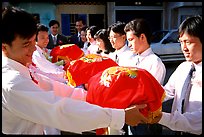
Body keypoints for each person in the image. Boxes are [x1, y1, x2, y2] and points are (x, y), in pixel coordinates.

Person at [2, 6, 148, 135]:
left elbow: (60, 90)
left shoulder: (21, 70)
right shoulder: (12, 82)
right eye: (26, 44)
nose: (33, 49)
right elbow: (61, 111)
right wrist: (120, 117)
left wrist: (101, 96)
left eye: (34, 41)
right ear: (4, 47)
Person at [151, 15, 202, 135]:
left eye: (188, 42)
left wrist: (161, 117)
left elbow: (198, 119)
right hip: (178, 130)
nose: (183, 48)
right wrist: (146, 101)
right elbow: (166, 92)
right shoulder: (183, 68)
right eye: (181, 42)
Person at [124, 18, 166, 135]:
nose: (129, 44)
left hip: (147, 120)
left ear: (142, 37)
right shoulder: (131, 60)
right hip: (131, 115)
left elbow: (150, 94)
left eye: (131, 40)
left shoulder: (155, 63)